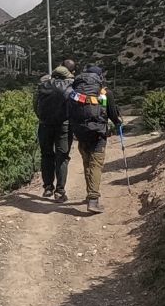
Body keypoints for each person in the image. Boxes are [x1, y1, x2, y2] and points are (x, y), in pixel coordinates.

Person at [69, 65, 122, 214]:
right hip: (98, 133)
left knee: (87, 163)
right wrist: (118, 123)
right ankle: (93, 199)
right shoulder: (105, 93)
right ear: (100, 78)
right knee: (96, 164)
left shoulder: (74, 93)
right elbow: (113, 115)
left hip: (80, 133)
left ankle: (89, 194)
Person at [33, 60, 76, 200]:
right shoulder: (70, 85)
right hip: (63, 125)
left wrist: (42, 118)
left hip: (44, 124)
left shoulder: (43, 84)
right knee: (62, 157)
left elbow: (35, 105)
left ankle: (47, 188)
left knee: (46, 155)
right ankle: (60, 191)